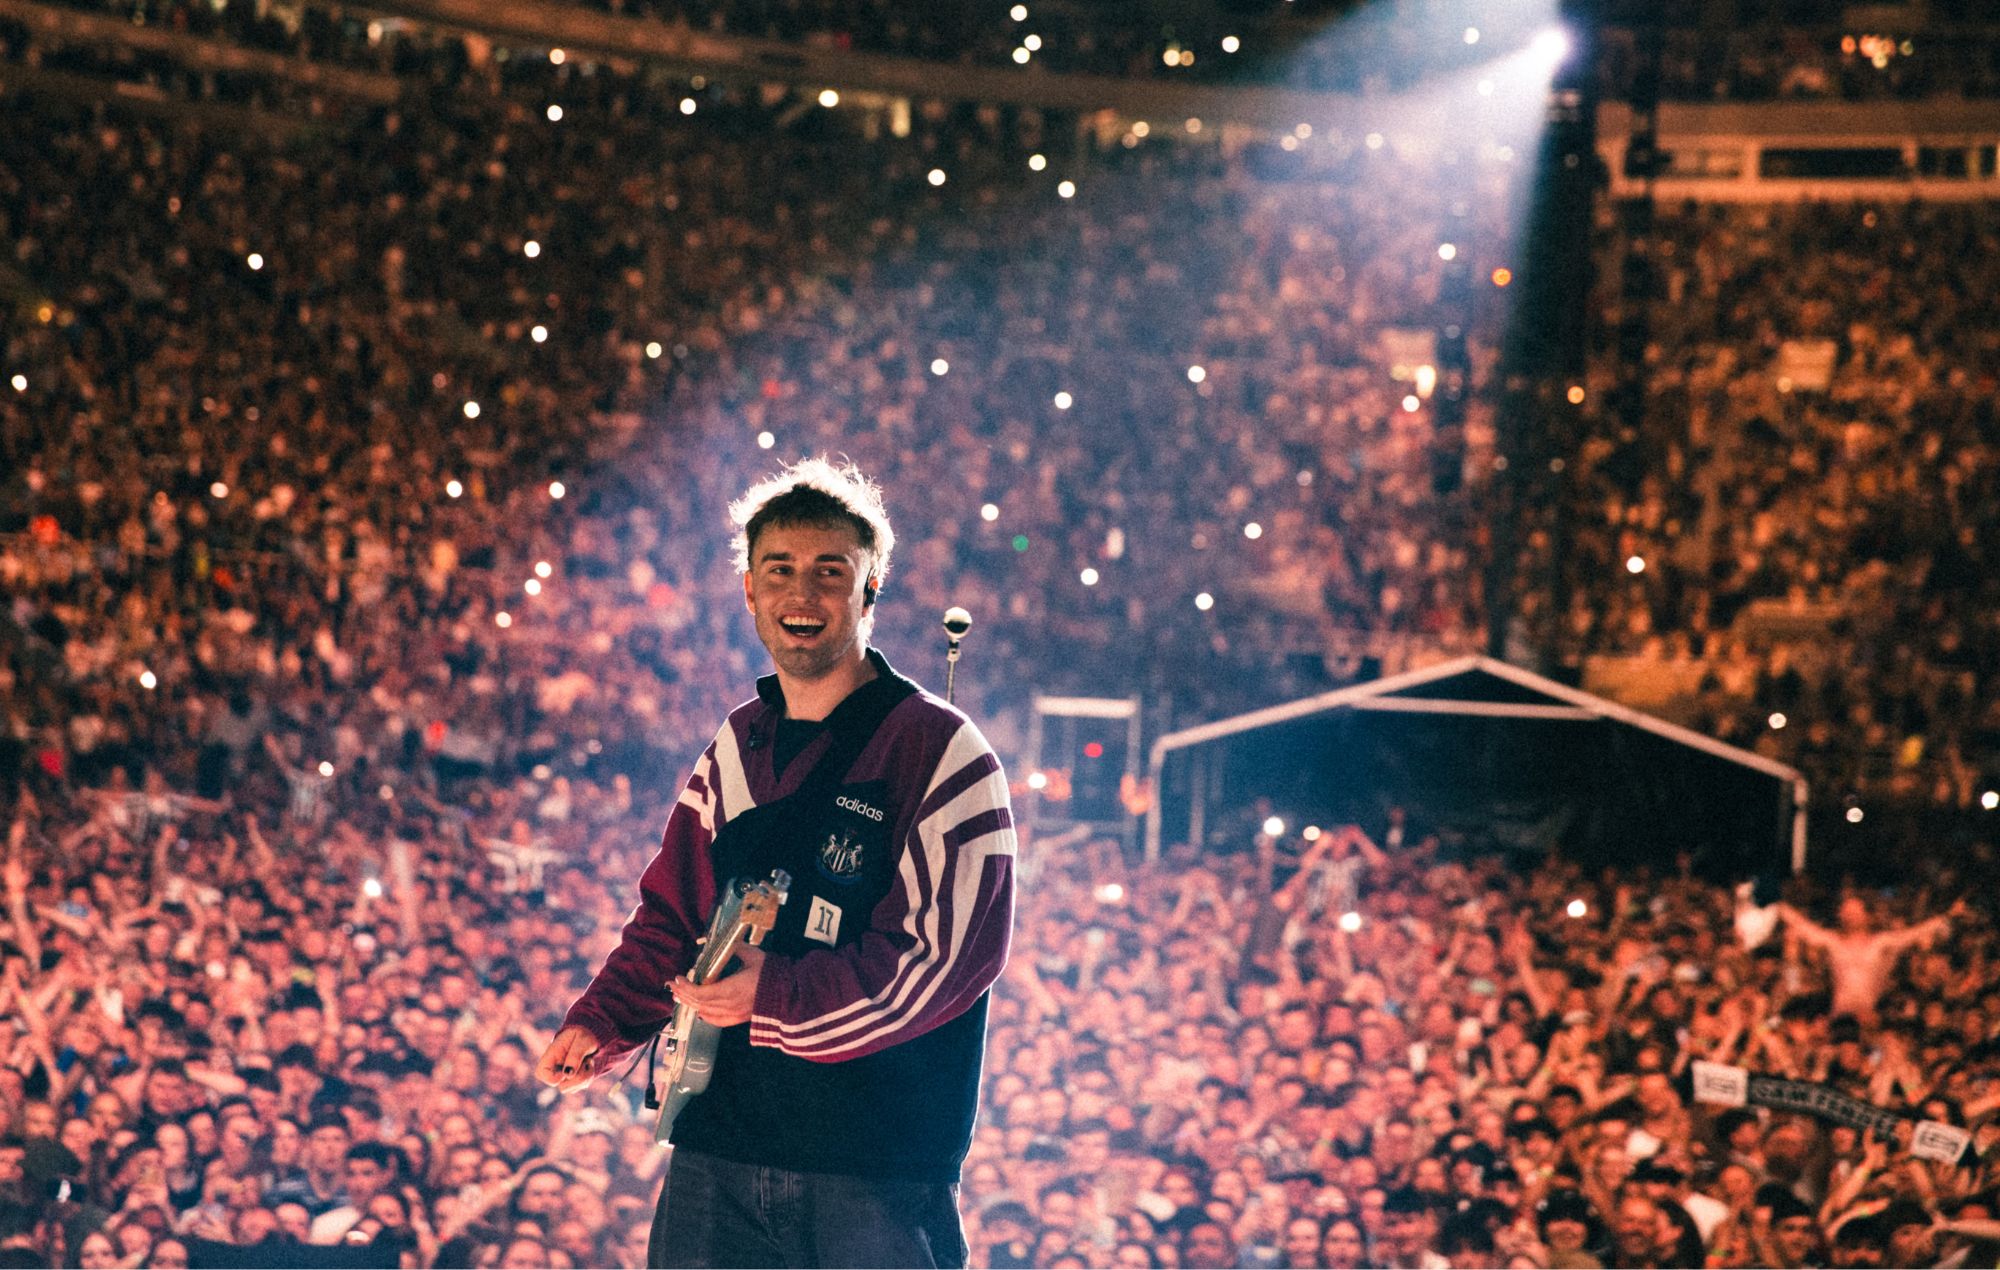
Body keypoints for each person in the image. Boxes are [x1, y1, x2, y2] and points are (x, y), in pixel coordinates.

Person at [536, 458, 1017, 1268]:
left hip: (875, 1175)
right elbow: (671, 918)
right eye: (780, 571)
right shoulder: (735, 743)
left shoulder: (942, 753)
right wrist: (606, 1020)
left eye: (832, 572)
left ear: (871, 589)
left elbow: (944, 963)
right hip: (715, 1155)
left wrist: (777, 996)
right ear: (750, 592)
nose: (803, 594)